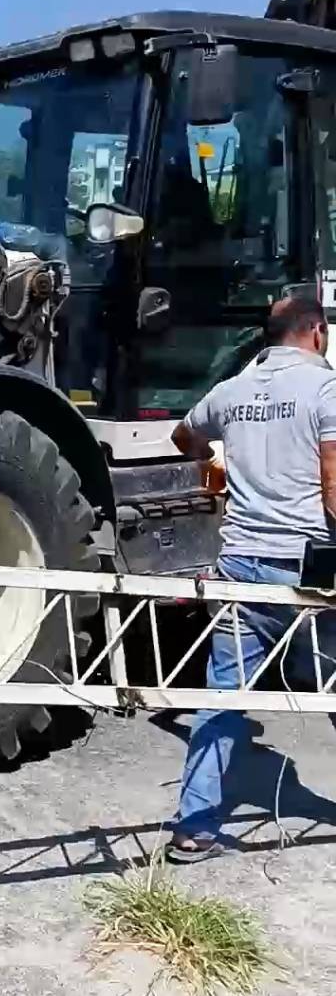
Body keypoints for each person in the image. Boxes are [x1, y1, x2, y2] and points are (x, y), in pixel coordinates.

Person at [168, 294, 336, 859]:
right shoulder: (326, 388)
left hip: (241, 563)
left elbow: (184, 437)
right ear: (315, 331)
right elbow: (335, 487)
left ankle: (194, 827)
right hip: (307, 569)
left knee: (223, 696)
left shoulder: (234, 390)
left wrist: (214, 457)